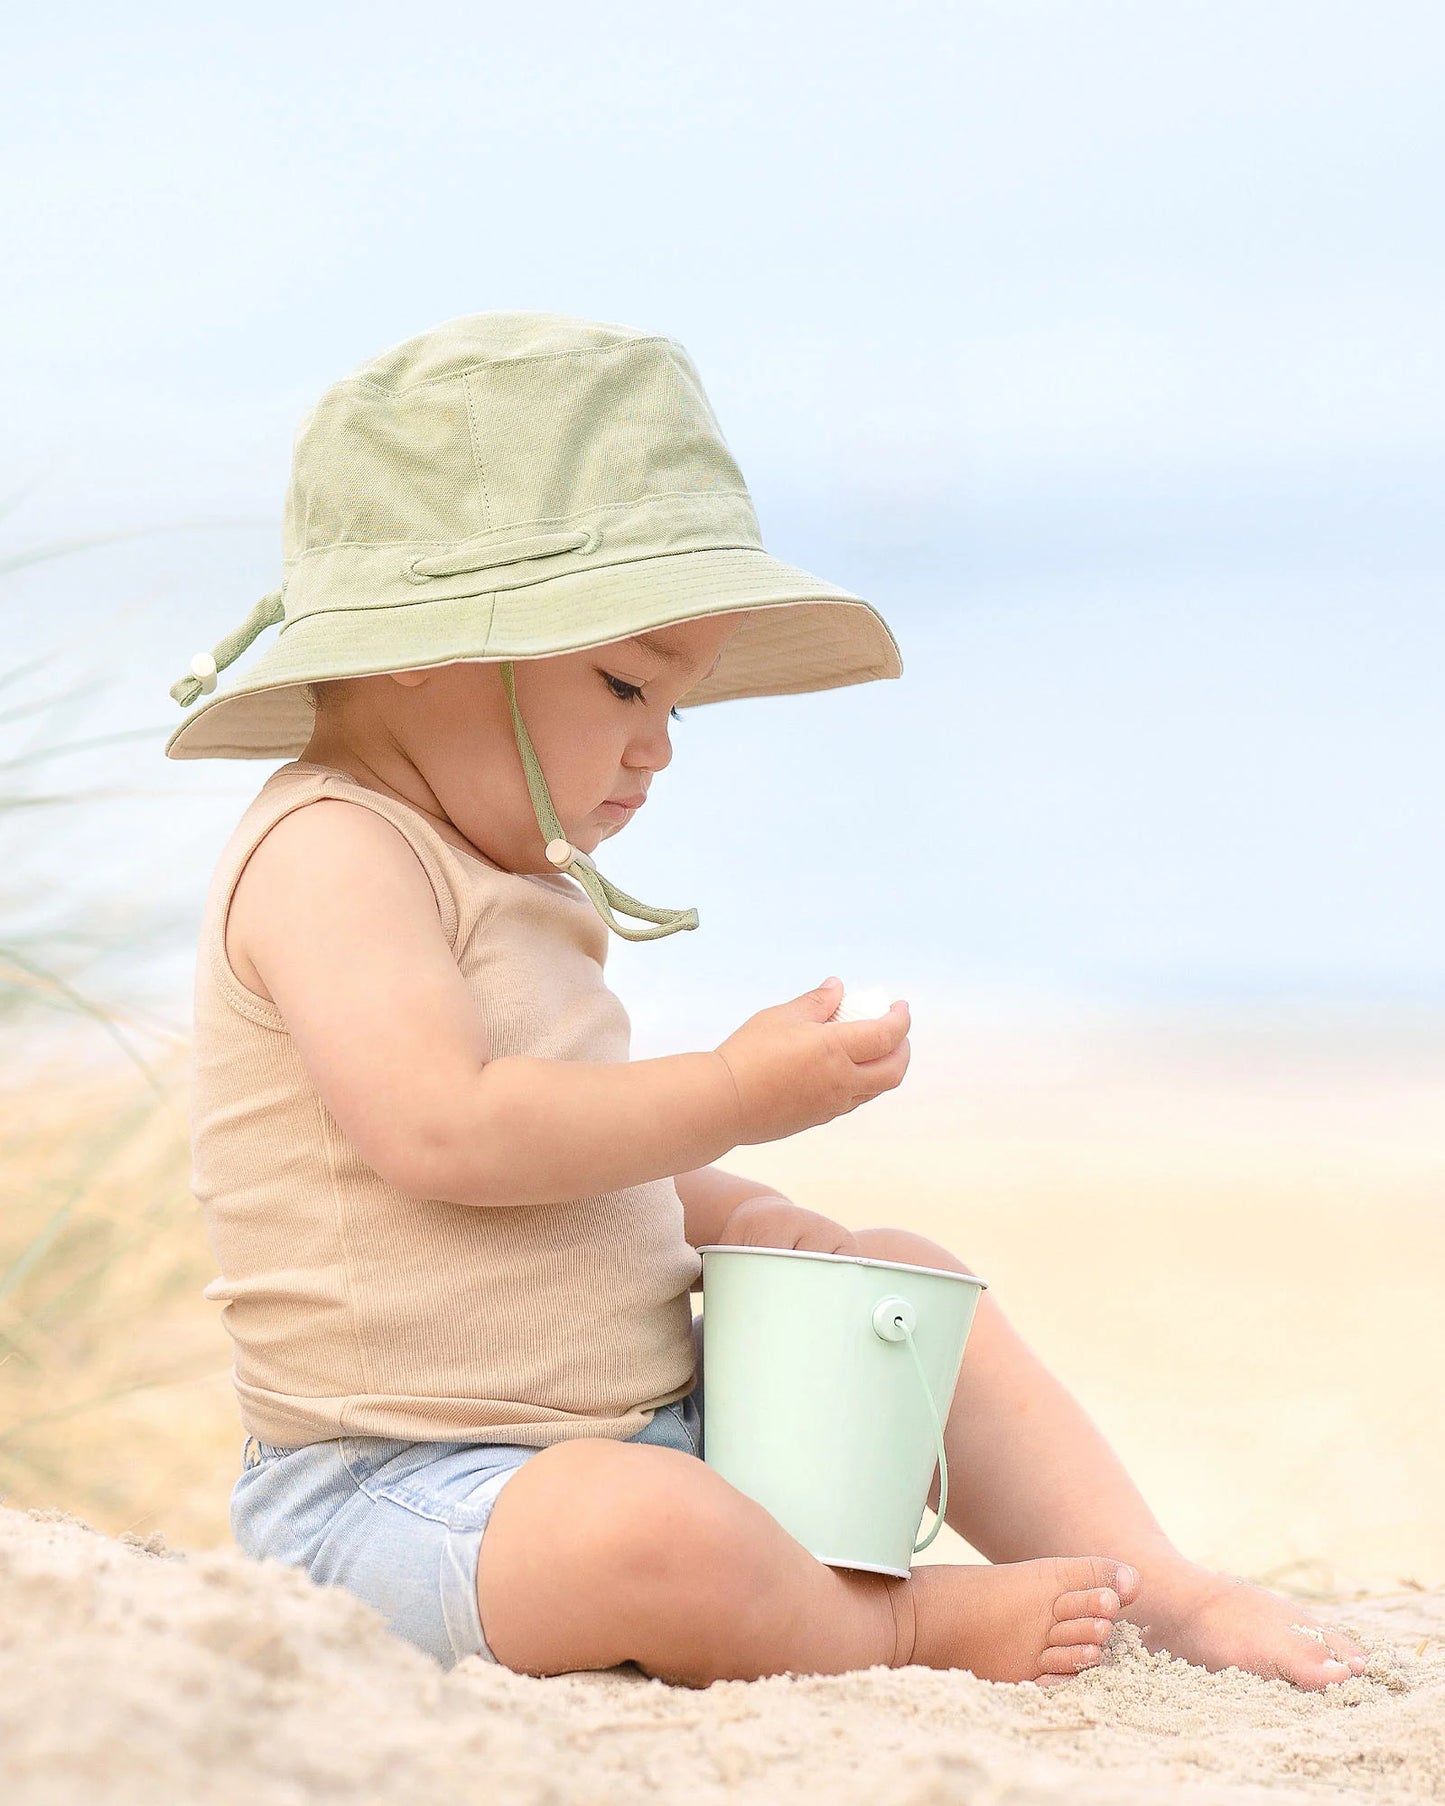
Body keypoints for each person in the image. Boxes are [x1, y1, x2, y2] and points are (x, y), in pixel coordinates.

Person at [166, 312, 1366, 1691]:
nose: (657, 745)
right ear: (422, 647)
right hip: (406, 1494)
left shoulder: (518, 867)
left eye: (680, 703)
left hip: (640, 1431)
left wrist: (735, 1211)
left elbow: (577, 1174)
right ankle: (896, 1623)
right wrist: (728, 1090)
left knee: (895, 1279)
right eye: (624, 683)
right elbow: (447, 1133)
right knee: (651, 1532)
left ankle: (1164, 1586)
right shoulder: (330, 850)